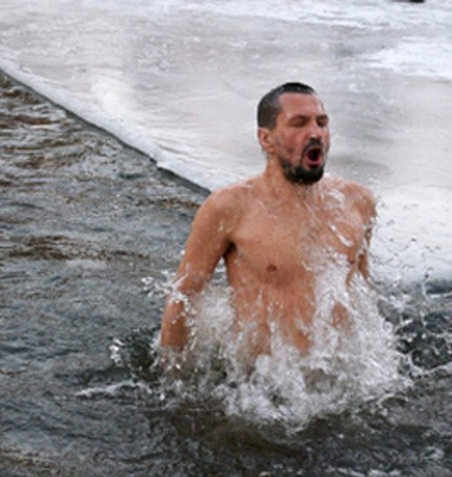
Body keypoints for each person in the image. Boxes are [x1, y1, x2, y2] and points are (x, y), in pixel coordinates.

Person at [159, 82, 377, 367]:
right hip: (258, 382)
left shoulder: (357, 202)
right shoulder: (230, 207)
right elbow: (184, 296)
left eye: (321, 123)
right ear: (266, 139)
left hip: (333, 377)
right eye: (298, 124)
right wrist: (174, 381)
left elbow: (362, 294)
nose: (315, 133)